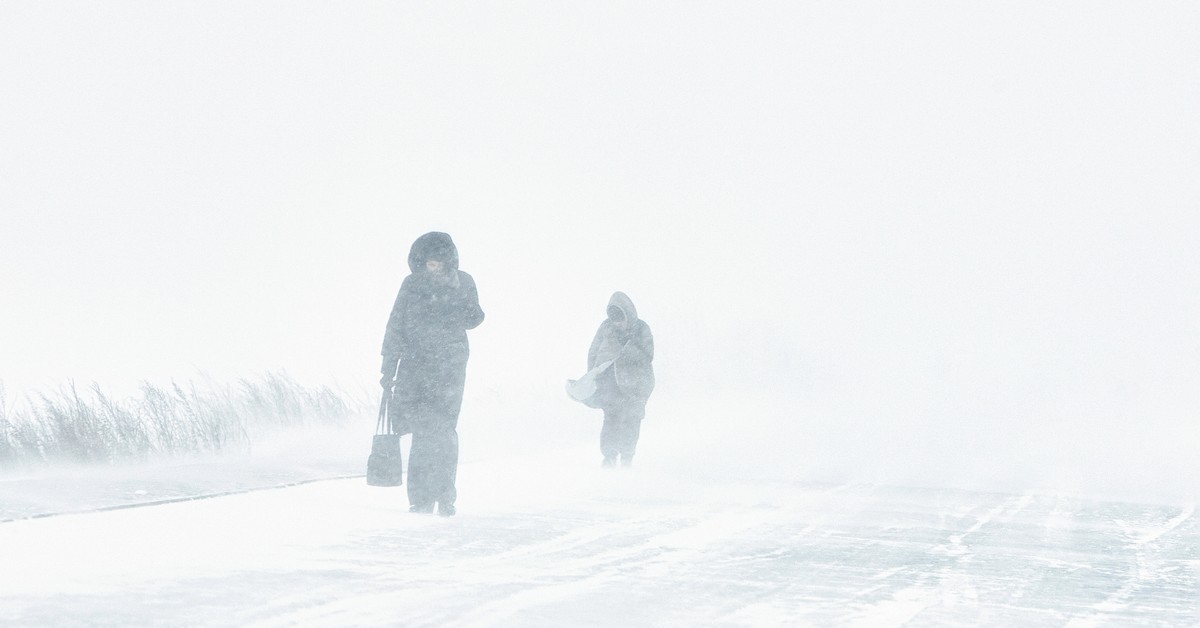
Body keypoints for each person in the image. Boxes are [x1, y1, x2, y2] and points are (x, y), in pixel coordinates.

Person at [380, 232, 484, 516]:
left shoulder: (463, 282)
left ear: (447, 260)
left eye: (437, 261)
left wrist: (453, 301)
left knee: (444, 432)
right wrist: (388, 366)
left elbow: (475, 318)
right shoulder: (411, 284)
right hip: (415, 367)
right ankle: (420, 500)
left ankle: (446, 497)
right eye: (428, 261)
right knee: (422, 433)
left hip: (449, 368)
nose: (432, 266)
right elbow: (396, 324)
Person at [586, 291, 655, 468]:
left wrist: (627, 351)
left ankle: (627, 458)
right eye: (615, 320)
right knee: (611, 419)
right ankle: (609, 458)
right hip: (610, 385)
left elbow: (648, 355)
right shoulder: (606, 328)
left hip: (636, 386)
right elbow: (594, 352)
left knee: (632, 420)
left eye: (621, 319)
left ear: (628, 314)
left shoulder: (641, 329)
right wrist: (591, 376)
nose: (618, 324)